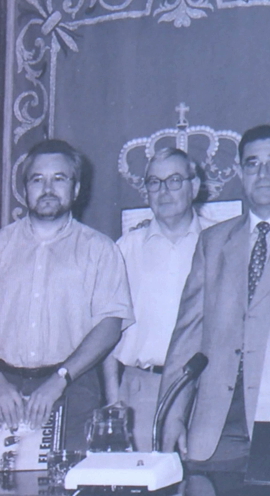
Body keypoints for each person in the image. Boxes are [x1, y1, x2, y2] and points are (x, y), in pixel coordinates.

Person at [159, 125, 270, 481]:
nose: (263, 174)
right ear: (239, 171)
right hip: (218, 428)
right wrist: (173, 416)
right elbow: (187, 338)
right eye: (252, 164)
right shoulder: (214, 241)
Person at [0, 139, 133, 450]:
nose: (47, 188)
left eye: (59, 178)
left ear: (76, 189)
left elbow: (110, 325)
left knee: (68, 477)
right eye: (37, 179)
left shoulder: (100, 250)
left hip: (72, 387)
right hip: (4, 388)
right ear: (25, 189)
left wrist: (59, 379)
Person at [103, 148, 211, 452]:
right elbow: (108, 331)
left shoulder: (218, 242)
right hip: (141, 393)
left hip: (206, 392)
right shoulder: (125, 248)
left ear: (194, 186)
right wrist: (114, 400)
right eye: (154, 182)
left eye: (174, 180)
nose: (164, 191)